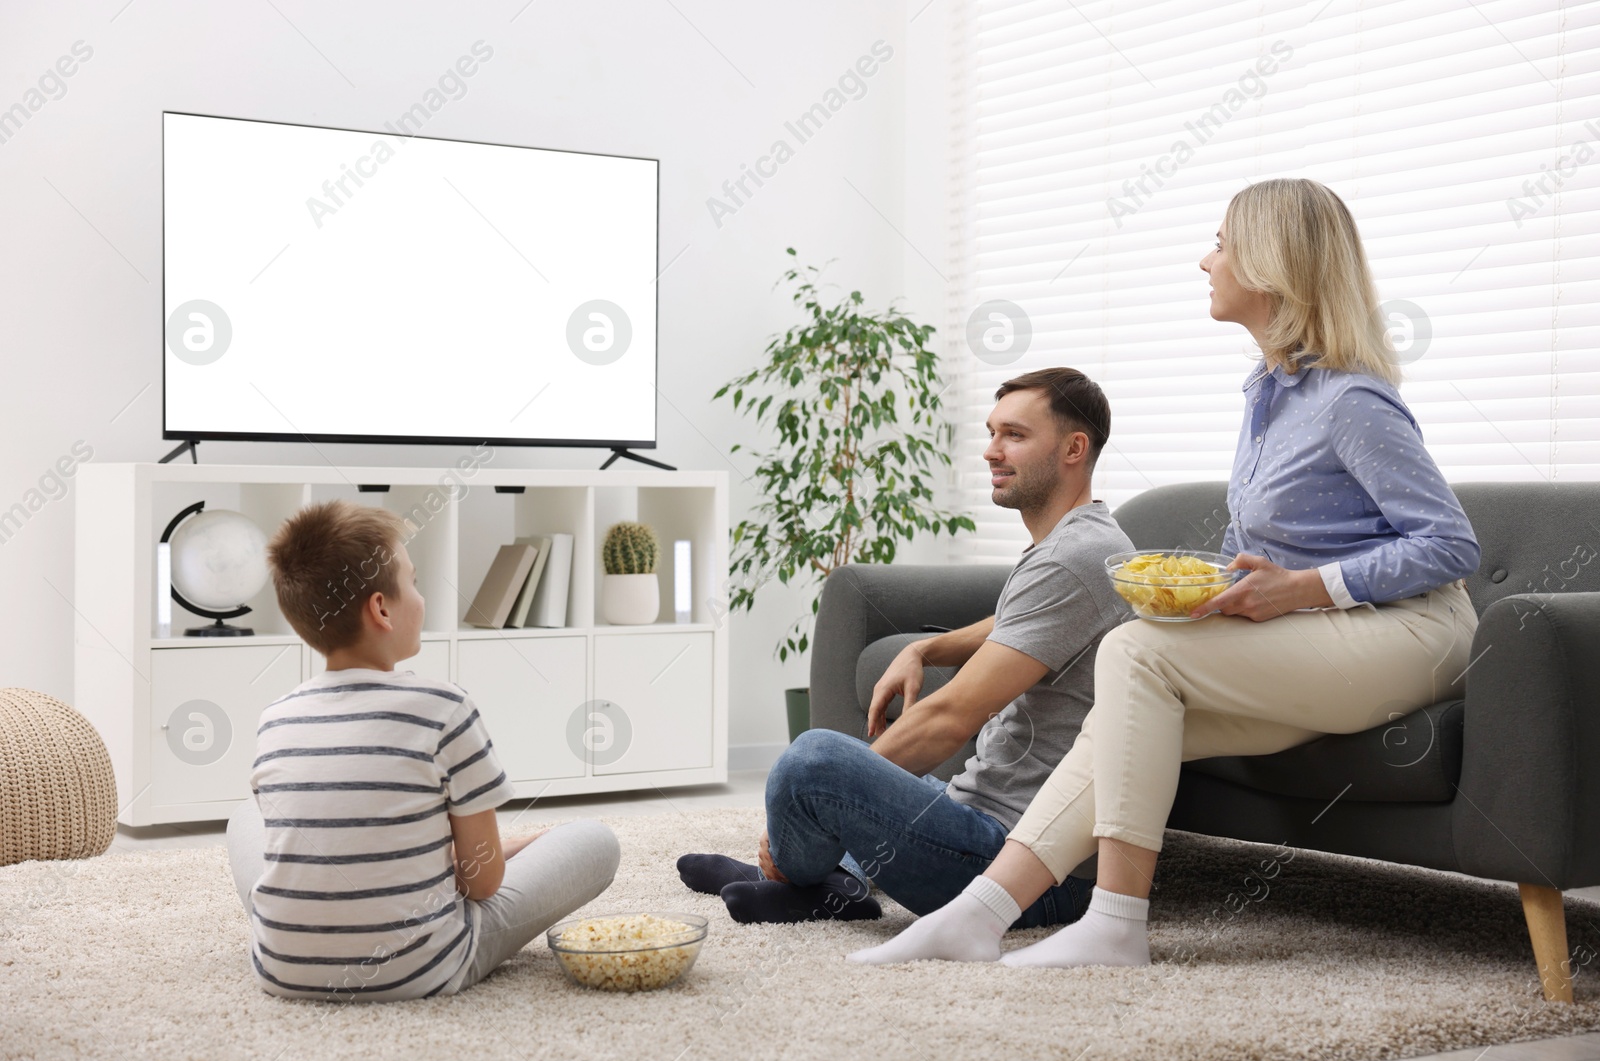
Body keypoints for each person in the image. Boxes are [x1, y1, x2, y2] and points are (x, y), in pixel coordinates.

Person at [849, 177, 1481, 968]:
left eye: (1222, 242)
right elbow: (1292, 549)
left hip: (1419, 630)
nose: (1205, 259)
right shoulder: (1269, 395)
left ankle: (1116, 923)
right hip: (1340, 631)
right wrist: (1233, 590)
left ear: (1273, 263)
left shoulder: (1351, 399)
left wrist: (1300, 589)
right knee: (1126, 704)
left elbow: (1451, 545)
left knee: (1134, 651)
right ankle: (979, 912)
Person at [677, 367, 1137, 927]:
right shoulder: (1078, 543)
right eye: (991, 433)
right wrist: (927, 649)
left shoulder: (1073, 556)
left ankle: (793, 869)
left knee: (813, 761)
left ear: (1074, 447)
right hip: (981, 818)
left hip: (1021, 868)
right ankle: (833, 884)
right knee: (891, 780)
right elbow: (1015, 622)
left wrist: (790, 819)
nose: (992, 451)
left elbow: (948, 719)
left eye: (1014, 435)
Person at [225, 499, 620, 1001]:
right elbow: (482, 884)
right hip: (420, 969)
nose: (422, 595)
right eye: (414, 581)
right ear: (381, 609)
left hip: (284, 970)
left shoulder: (275, 717)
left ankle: (302, 928)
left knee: (245, 817)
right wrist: (489, 852)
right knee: (594, 841)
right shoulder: (445, 707)